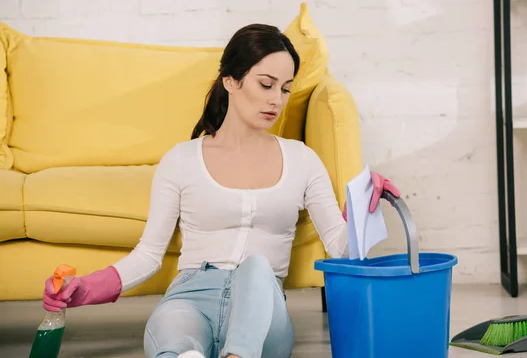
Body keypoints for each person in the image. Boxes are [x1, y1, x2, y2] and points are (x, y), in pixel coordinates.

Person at [42, 23, 400, 358]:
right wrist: (84, 289)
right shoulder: (181, 160)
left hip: (263, 312)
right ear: (230, 81)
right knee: (172, 330)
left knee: (256, 267)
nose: (277, 99)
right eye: (266, 84)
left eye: (285, 88)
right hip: (191, 297)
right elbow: (148, 255)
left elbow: (341, 247)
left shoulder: (302, 159)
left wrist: (361, 211)